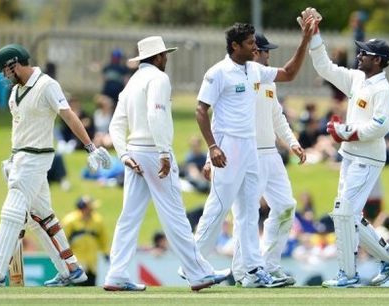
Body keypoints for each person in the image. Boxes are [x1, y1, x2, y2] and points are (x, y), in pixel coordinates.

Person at [0, 43, 112, 287]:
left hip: (36, 157)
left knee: (12, 210)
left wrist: (90, 146)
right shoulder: (14, 92)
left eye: (5, 70)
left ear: (14, 64)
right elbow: (20, 130)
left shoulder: (47, 85)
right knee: (41, 218)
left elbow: (68, 114)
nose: (4, 76)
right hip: (21, 158)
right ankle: (71, 269)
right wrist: (13, 159)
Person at [194, 21, 315, 288]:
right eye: (250, 43)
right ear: (236, 46)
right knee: (220, 206)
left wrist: (305, 39)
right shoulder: (218, 72)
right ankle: (193, 263)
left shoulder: (256, 71)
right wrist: (211, 149)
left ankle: (254, 269)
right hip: (229, 147)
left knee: (250, 210)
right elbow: (202, 111)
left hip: (253, 148)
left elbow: (289, 75)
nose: (256, 48)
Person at [106, 36, 229, 292]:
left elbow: (116, 123)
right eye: (165, 55)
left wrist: (123, 155)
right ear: (158, 57)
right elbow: (156, 113)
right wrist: (163, 152)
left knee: (129, 216)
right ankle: (198, 273)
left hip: (135, 153)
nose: (166, 59)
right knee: (174, 214)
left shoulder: (132, 82)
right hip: (154, 152)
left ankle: (116, 274)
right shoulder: (159, 79)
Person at [302, 7, 389, 287]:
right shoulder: (357, 78)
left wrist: (346, 132)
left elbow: (381, 127)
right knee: (345, 214)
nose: (359, 55)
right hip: (349, 157)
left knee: (345, 212)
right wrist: (315, 36)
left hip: (368, 159)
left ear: (379, 60)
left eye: (364, 53)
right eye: (360, 52)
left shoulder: (383, 90)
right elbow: (325, 67)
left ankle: (348, 275)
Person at [222, 32, 306, 286]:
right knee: (246, 214)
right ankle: (244, 271)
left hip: (270, 153)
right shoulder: (236, 78)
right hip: (248, 154)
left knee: (285, 206)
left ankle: (269, 265)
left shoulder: (269, 81)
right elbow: (222, 118)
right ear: (255, 51)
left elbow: (277, 116)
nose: (270, 55)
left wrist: (292, 142)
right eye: (266, 50)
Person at [61, 196, 109, 286]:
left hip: (92, 264)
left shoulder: (98, 220)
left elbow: (104, 239)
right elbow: (62, 241)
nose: (92, 210)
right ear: (83, 208)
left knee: (90, 289)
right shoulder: (70, 221)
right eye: (90, 207)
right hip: (76, 263)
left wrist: (106, 252)